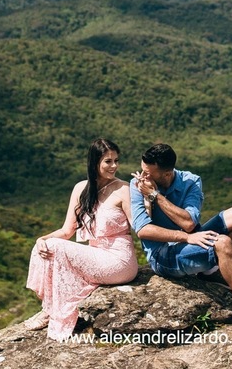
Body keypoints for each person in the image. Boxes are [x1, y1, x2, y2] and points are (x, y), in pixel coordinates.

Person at [130, 143, 232, 331]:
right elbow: (142, 230)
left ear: (166, 174)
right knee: (222, 243)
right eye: (142, 171)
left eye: (148, 173)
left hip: (191, 239)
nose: (142, 177)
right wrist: (184, 237)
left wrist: (155, 196)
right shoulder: (137, 185)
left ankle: (208, 270)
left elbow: (189, 223)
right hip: (162, 256)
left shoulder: (190, 181)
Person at [24, 138, 139, 341]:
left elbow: (138, 226)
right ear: (94, 162)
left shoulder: (123, 189)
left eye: (116, 160)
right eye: (108, 161)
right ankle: (50, 308)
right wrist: (42, 238)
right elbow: (67, 230)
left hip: (119, 260)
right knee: (44, 246)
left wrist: (147, 200)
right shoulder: (81, 189)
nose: (114, 166)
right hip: (97, 254)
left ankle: (52, 312)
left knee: (55, 248)